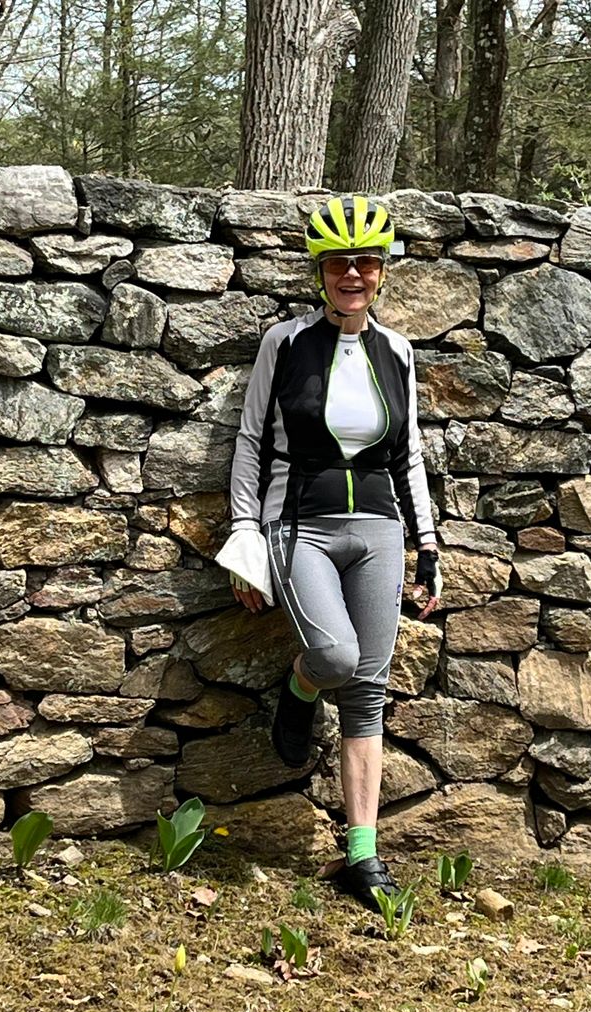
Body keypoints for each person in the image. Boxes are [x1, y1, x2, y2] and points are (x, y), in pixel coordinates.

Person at [217, 194, 442, 911]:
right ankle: (301, 686)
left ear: (381, 273)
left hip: (379, 529)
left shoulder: (398, 351)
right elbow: (252, 439)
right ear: (320, 272)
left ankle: (362, 855)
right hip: (299, 525)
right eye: (339, 263)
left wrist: (427, 544)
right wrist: (244, 533)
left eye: (366, 262)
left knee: (369, 690)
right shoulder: (285, 343)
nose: (352, 274)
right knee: (337, 658)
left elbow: (408, 454)